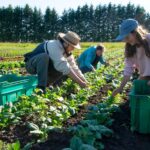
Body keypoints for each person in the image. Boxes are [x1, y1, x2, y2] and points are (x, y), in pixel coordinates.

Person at [112, 18, 150, 97]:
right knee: (138, 92)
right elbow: (128, 69)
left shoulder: (148, 39)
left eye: (127, 37)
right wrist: (120, 87)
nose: (126, 40)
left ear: (135, 33)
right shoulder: (130, 49)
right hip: (145, 75)